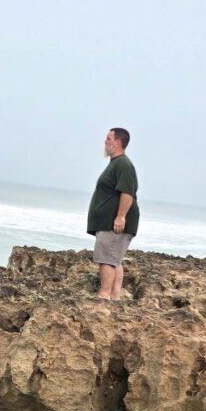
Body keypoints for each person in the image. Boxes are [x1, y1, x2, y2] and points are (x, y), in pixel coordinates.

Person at [86, 128, 139, 301]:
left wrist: (120, 216)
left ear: (118, 142)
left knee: (107, 259)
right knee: (114, 259)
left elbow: (127, 193)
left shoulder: (123, 164)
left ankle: (105, 295)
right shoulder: (116, 163)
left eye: (108, 138)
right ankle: (115, 297)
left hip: (114, 223)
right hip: (108, 222)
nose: (105, 141)